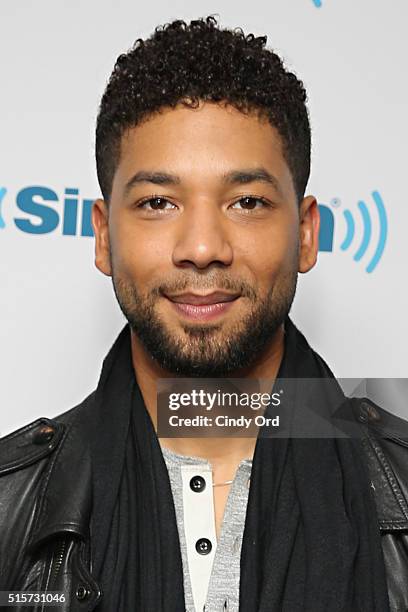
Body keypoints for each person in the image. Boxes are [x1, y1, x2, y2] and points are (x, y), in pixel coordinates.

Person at [1, 15, 407, 612]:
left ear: (305, 234)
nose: (202, 247)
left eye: (247, 201)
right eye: (158, 202)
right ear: (104, 237)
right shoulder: (12, 503)